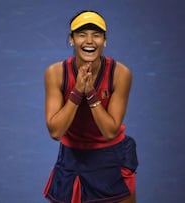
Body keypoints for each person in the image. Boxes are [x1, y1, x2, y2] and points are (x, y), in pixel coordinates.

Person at [43, 10, 138, 203]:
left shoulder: (121, 74)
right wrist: (77, 92)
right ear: (71, 40)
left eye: (96, 35)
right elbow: (55, 132)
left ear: (104, 41)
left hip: (111, 156)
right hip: (72, 158)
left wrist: (91, 94)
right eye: (81, 34)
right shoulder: (55, 73)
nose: (89, 41)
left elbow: (110, 131)